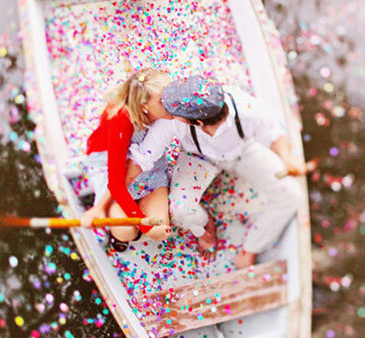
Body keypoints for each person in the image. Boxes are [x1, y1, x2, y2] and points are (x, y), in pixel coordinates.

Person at [129, 75, 306, 267]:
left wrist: (286, 158)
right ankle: (205, 225)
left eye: (175, 111)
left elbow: (272, 129)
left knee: (292, 196)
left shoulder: (246, 108)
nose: (168, 110)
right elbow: (145, 156)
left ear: (197, 122)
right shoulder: (172, 120)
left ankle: (250, 249)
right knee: (180, 211)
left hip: (240, 152)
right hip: (197, 157)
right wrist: (116, 191)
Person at [80, 69, 173, 252]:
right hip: (111, 165)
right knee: (125, 230)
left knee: (160, 225)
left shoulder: (168, 112)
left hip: (149, 165)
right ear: (144, 105)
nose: (170, 103)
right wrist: (145, 226)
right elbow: (116, 183)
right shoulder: (121, 120)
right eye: (162, 101)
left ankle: (131, 208)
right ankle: (115, 216)